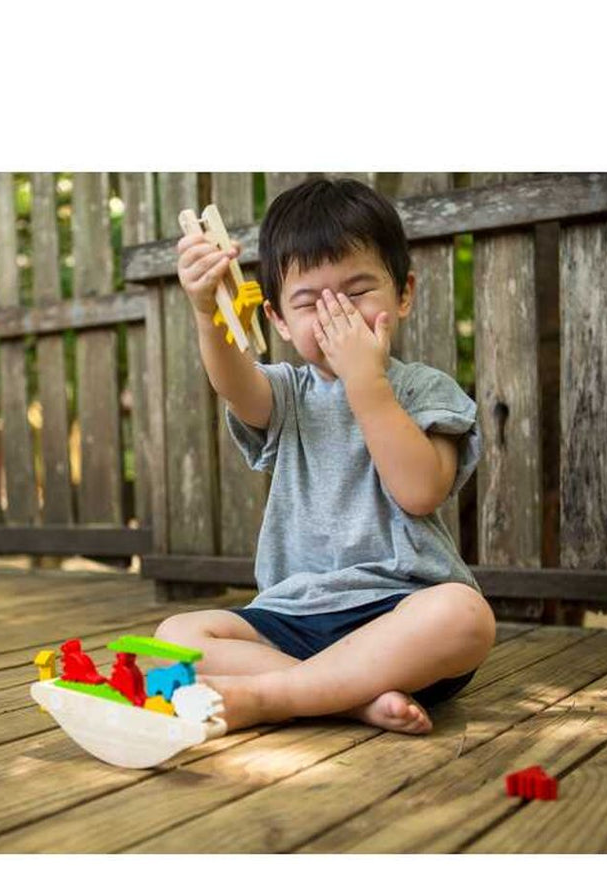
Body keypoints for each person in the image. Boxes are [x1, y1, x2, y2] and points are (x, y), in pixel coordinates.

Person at [155, 177, 496, 735]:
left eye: (358, 291)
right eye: (311, 302)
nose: (336, 312)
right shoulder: (287, 392)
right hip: (292, 616)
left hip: (399, 614)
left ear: (403, 293)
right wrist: (204, 311)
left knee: (465, 616)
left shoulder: (425, 391)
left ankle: (273, 695)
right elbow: (233, 383)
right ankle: (348, 698)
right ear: (280, 320)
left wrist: (367, 381)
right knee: (174, 636)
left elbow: (419, 490)